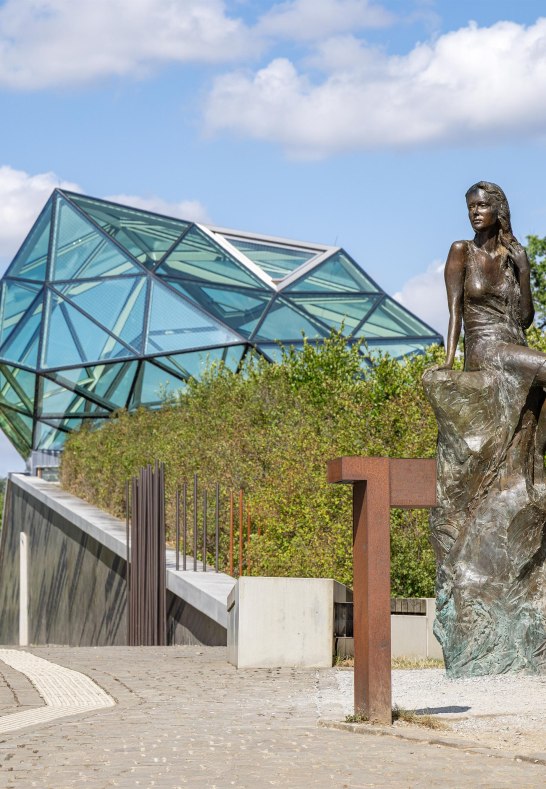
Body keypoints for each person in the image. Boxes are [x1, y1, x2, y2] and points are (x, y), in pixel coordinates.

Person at [439, 181, 546, 386]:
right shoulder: (462, 250)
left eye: (482, 205)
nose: (475, 213)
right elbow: (455, 311)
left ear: (499, 211)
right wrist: (449, 361)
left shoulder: (512, 256)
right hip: (483, 348)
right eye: (471, 207)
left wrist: (524, 272)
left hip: (514, 345)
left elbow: (524, 320)